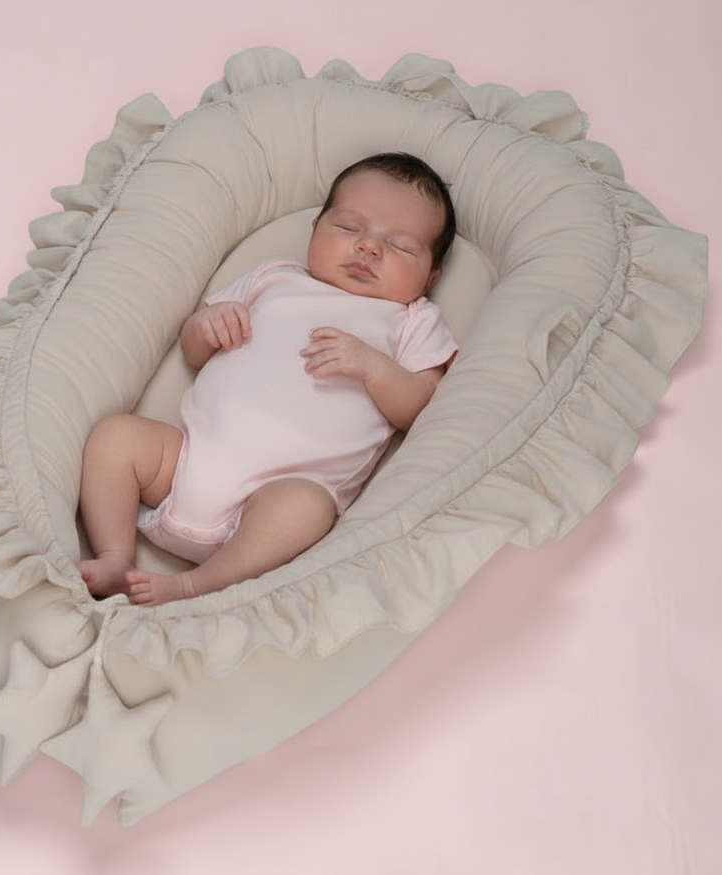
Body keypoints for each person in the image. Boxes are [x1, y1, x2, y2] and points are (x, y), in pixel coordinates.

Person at [78, 152, 458, 606]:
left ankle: (194, 587)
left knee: (308, 507)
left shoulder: (411, 320)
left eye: (399, 245)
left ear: (430, 276)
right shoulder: (273, 279)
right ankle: (115, 556)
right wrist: (207, 326)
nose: (369, 247)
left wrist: (374, 367)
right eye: (349, 228)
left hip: (271, 503)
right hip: (183, 464)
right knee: (116, 435)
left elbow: (422, 406)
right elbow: (194, 351)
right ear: (315, 229)